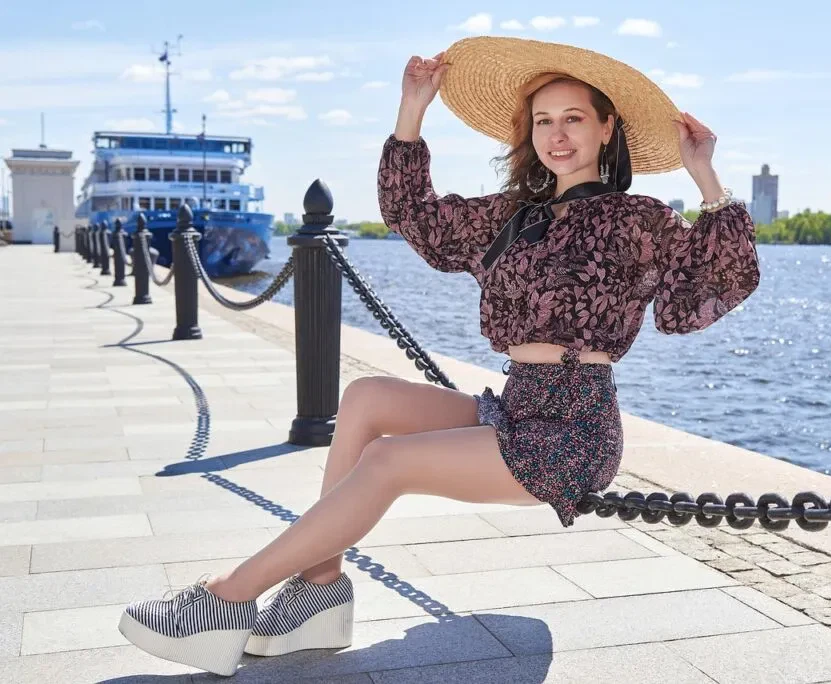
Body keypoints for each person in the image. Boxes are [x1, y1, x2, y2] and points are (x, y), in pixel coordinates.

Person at [116, 36, 761, 677]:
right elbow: (413, 215)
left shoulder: (640, 219)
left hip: (573, 431)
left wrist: (704, 174)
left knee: (388, 461)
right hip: (517, 407)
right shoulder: (513, 212)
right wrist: (412, 110)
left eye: (573, 119)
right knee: (366, 399)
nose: (556, 136)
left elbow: (711, 289)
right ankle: (318, 601)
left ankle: (227, 597)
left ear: (606, 128)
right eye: (543, 121)